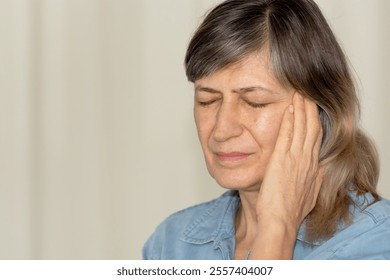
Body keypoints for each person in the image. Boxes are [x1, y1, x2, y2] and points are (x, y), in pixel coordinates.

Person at [143, 0, 390, 259]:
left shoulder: (374, 242)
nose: (221, 130)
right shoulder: (170, 244)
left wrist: (277, 226)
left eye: (254, 102)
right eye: (208, 100)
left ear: (319, 110)